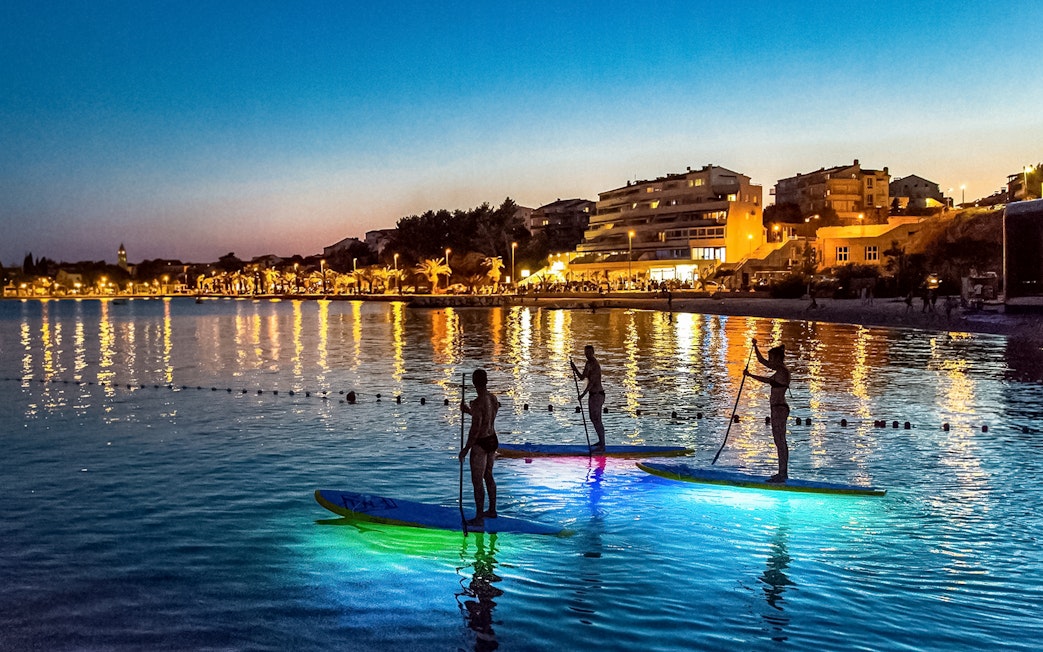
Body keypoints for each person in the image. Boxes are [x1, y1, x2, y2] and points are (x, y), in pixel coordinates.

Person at [743, 339, 791, 483]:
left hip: (779, 409)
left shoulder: (782, 372)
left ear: (777, 358)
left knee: (780, 441)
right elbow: (763, 362)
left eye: (771, 358)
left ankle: (783, 474)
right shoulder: (779, 370)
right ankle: (782, 472)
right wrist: (755, 347)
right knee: (779, 441)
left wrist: (751, 375)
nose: (770, 362)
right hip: (776, 409)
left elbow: (767, 379)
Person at [459, 368, 500, 527]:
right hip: (492, 439)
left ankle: (479, 518)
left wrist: (465, 449)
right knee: (488, 475)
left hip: (481, 443)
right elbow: (485, 418)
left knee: (477, 481)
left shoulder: (477, 402)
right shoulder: (492, 398)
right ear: (486, 381)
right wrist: (469, 411)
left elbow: (475, 428)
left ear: (473, 383)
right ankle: (492, 510)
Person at [571, 345, 607, 451]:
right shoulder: (588, 363)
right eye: (586, 353)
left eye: (589, 353)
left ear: (593, 352)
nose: (587, 355)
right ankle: (600, 442)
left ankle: (602, 445)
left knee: (597, 419)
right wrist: (574, 368)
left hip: (598, 394)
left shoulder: (595, 365)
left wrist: (582, 395)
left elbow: (592, 382)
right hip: (592, 395)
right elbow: (582, 377)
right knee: (592, 418)